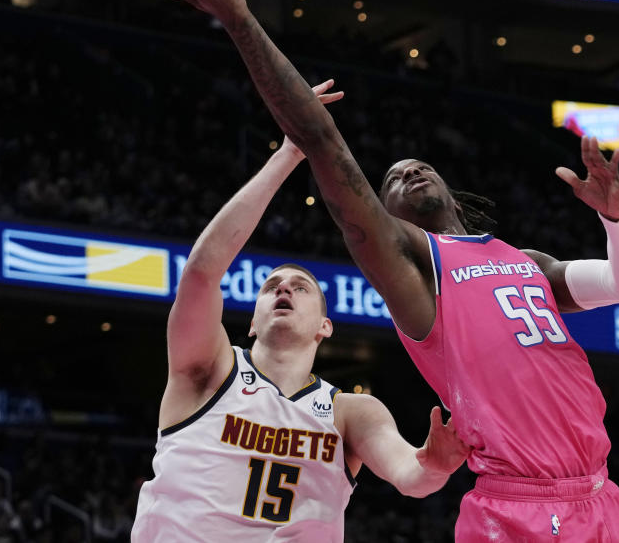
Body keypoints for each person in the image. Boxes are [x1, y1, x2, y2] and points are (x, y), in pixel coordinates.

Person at [156, 0, 619, 542]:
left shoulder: (528, 263)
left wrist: (616, 219)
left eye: (418, 166)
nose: (407, 170)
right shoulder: (417, 273)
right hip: (519, 504)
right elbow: (323, 142)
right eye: (390, 179)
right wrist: (238, 16)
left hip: (601, 495)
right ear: (384, 218)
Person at [131, 81, 471, 542]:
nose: (284, 289)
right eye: (271, 287)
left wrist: (436, 464)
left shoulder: (351, 412)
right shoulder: (207, 369)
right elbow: (200, 273)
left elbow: (411, 476)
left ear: (324, 327)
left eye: (300, 287)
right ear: (251, 321)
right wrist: (291, 151)